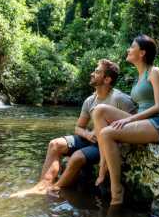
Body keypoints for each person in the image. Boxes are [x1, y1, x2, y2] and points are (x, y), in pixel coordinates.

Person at [11, 59, 135, 197]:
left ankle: (54, 188)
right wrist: (88, 135)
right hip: (92, 139)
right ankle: (42, 185)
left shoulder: (121, 99)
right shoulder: (90, 101)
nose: (92, 74)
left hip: (107, 145)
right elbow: (78, 128)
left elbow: (135, 124)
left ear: (107, 79)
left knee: (76, 157)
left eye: (97, 72)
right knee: (54, 144)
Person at [92, 34, 159, 205]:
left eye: (132, 46)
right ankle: (103, 163)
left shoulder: (154, 72)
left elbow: (158, 106)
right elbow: (140, 104)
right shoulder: (138, 77)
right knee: (99, 110)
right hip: (143, 120)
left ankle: (116, 191)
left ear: (142, 52)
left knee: (107, 133)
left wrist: (128, 121)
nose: (128, 49)